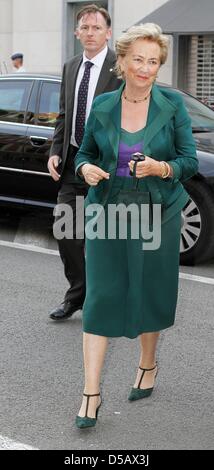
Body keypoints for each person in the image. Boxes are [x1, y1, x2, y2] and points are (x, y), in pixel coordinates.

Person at [74, 23, 198, 428]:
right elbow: (86, 153)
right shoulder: (104, 105)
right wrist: (87, 168)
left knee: (148, 291)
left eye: (153, 61)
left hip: (156, 213)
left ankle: (147, 364)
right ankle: (90, 394)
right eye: (138, 60)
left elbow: (188, 161)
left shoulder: (172, 106)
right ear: (122, 63)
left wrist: (162, 167)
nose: (145, 68)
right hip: (108, 211)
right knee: (100, 298)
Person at [48, 4, 122, 321]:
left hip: (107, 166)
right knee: (66, 233)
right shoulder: (70, 66)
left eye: (96, 27)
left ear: (108, 32)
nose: (90, 33)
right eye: (84, 28)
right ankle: (78, 294)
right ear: (77, 33)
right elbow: (64, 115)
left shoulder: (121, 67)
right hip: (73, 163)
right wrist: (55, 150)